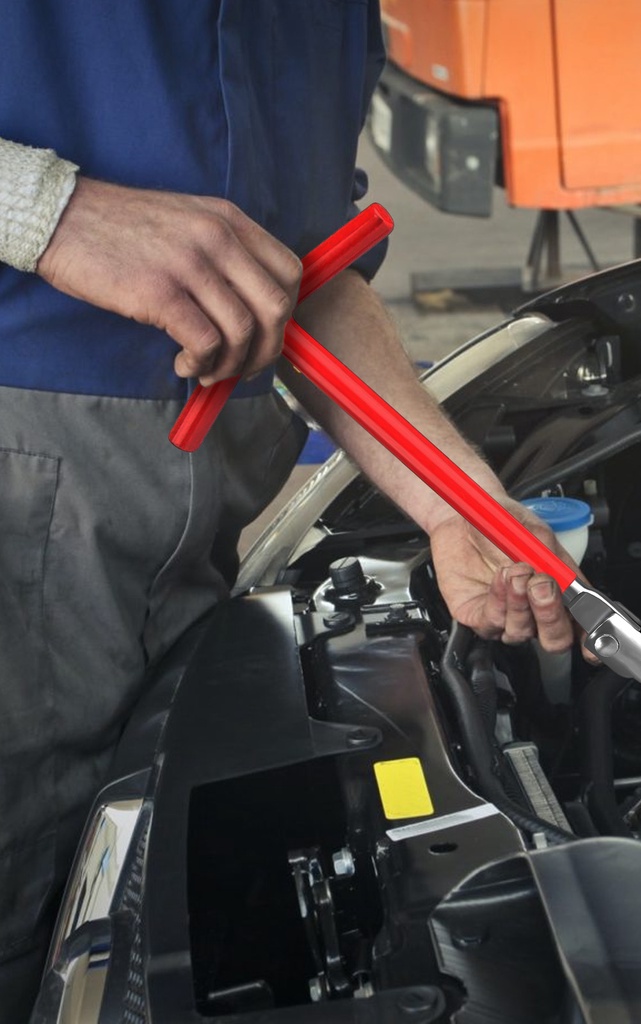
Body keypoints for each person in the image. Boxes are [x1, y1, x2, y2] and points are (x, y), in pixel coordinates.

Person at [0, 3, 576, 1018]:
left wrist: (461, 506)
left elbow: (309, 275)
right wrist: (44, 211)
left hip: (196, 536)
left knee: (106, 920)